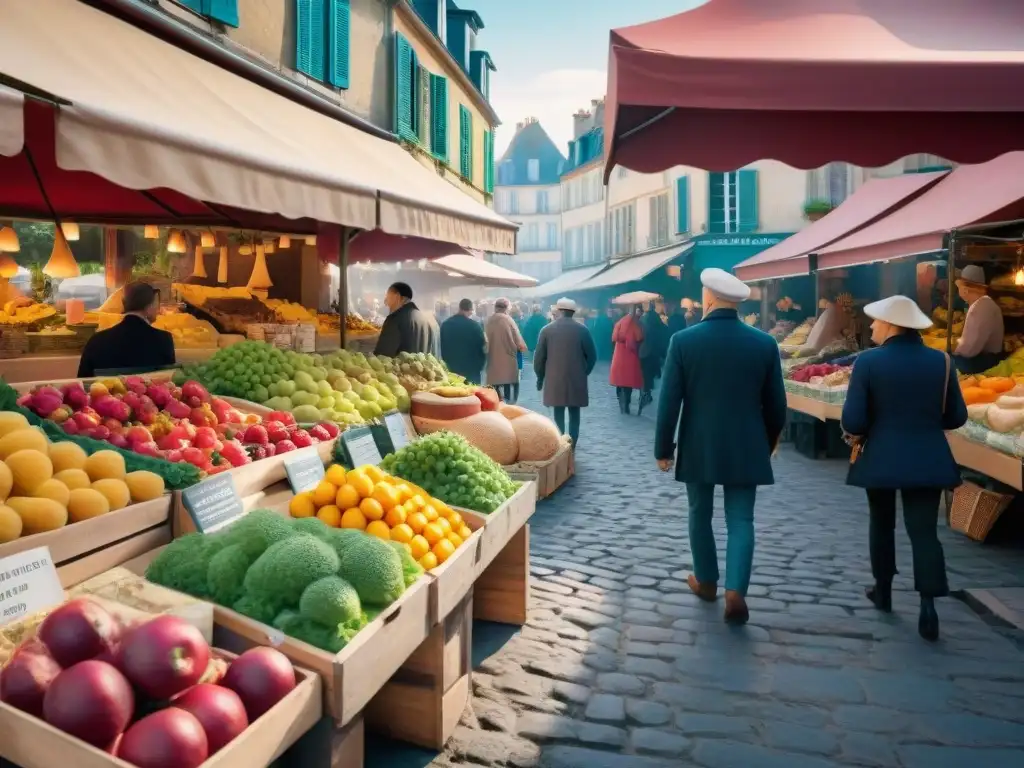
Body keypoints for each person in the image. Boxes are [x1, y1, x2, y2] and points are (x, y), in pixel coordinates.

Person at [655, 269, 787, 625]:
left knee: (699, 512)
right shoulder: (764, 343)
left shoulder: (684, 341)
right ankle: (736, 592)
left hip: (700, 442)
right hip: (747, 444)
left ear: (708, 298)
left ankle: (707, 581)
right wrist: (769, 441)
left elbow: (669, 402)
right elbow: (777, 405)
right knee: (742, 518)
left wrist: (663, 449)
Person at [840, 295, 968, 642]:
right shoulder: (941, 361)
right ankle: (928, 605)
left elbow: (853, 419)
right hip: (928, 455)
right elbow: (956, 416)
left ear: (892, 325)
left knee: (881, 523)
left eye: (876, 321)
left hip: (880, 455)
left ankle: (883, 591)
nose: (872, 326)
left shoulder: (868, 362)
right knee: (924, 530)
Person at [534, 297, 597, 449]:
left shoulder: (547, 330)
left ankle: (560, 440)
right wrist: (584, 372)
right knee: (575, 412)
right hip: (577, 378)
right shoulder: (583, 330)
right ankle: (573, 443)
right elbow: (592, 356)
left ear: (559, 311)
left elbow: (539, 358)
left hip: (555, 378)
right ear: (573, 312)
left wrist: (540, 377)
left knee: (558, 411)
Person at [77, 282, 175, 377]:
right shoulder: (163, 340)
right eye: (156, 304)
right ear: (148, 307)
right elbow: (169, 382)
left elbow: (82, 383)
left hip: (107, 393)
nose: (158, 310)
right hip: (147, 393)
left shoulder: (96, 340)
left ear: (124, 304)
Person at [952, 265, 1004, 374]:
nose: (959, 291)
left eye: (960, 287)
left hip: (983, 361)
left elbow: (970, 349)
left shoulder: (981, 308)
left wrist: (953, 351)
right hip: (983, 357)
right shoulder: (983, 303)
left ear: (966, 289)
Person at [373, 282, 436, 357]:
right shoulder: (426, 320)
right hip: (420, 368)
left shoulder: (394, 319)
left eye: (388, 297)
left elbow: (382, 356)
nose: (386, 303)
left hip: (398, 368)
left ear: (397, 296)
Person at [485, 297, 527, 403]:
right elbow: (519, 342)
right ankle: (508, 406)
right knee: (509, 389)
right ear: (507, 308)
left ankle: (497, 404)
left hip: (492, 360)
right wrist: (522, 348)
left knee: (495, 389)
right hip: (508, 360)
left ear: (495, 307)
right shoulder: (508, 320)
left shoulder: (489, 320)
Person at [440, 298, 487, 384]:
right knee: (472, 394)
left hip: (451, 370)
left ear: (460, 307)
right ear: (470, 310)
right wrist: (480, 365)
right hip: (471, 371)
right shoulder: (475, 326)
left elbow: (441, 346)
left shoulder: (445, 324)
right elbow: (482, 347)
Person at [610, 305, 645, 415]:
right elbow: (636, 338)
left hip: (619, 353)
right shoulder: (633, 323)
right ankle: (626, 404)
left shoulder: (620, 321)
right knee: (628, 382)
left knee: (620, 381)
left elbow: (614, 337)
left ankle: (621, 401)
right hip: (629, 355)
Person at [639, 302, 669, 414]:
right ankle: (647, 393)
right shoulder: (659, 323)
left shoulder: (644, 320)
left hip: (645, 352)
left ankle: (646, 394)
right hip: (654, 353)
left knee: (645, 374)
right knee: (649, 374)